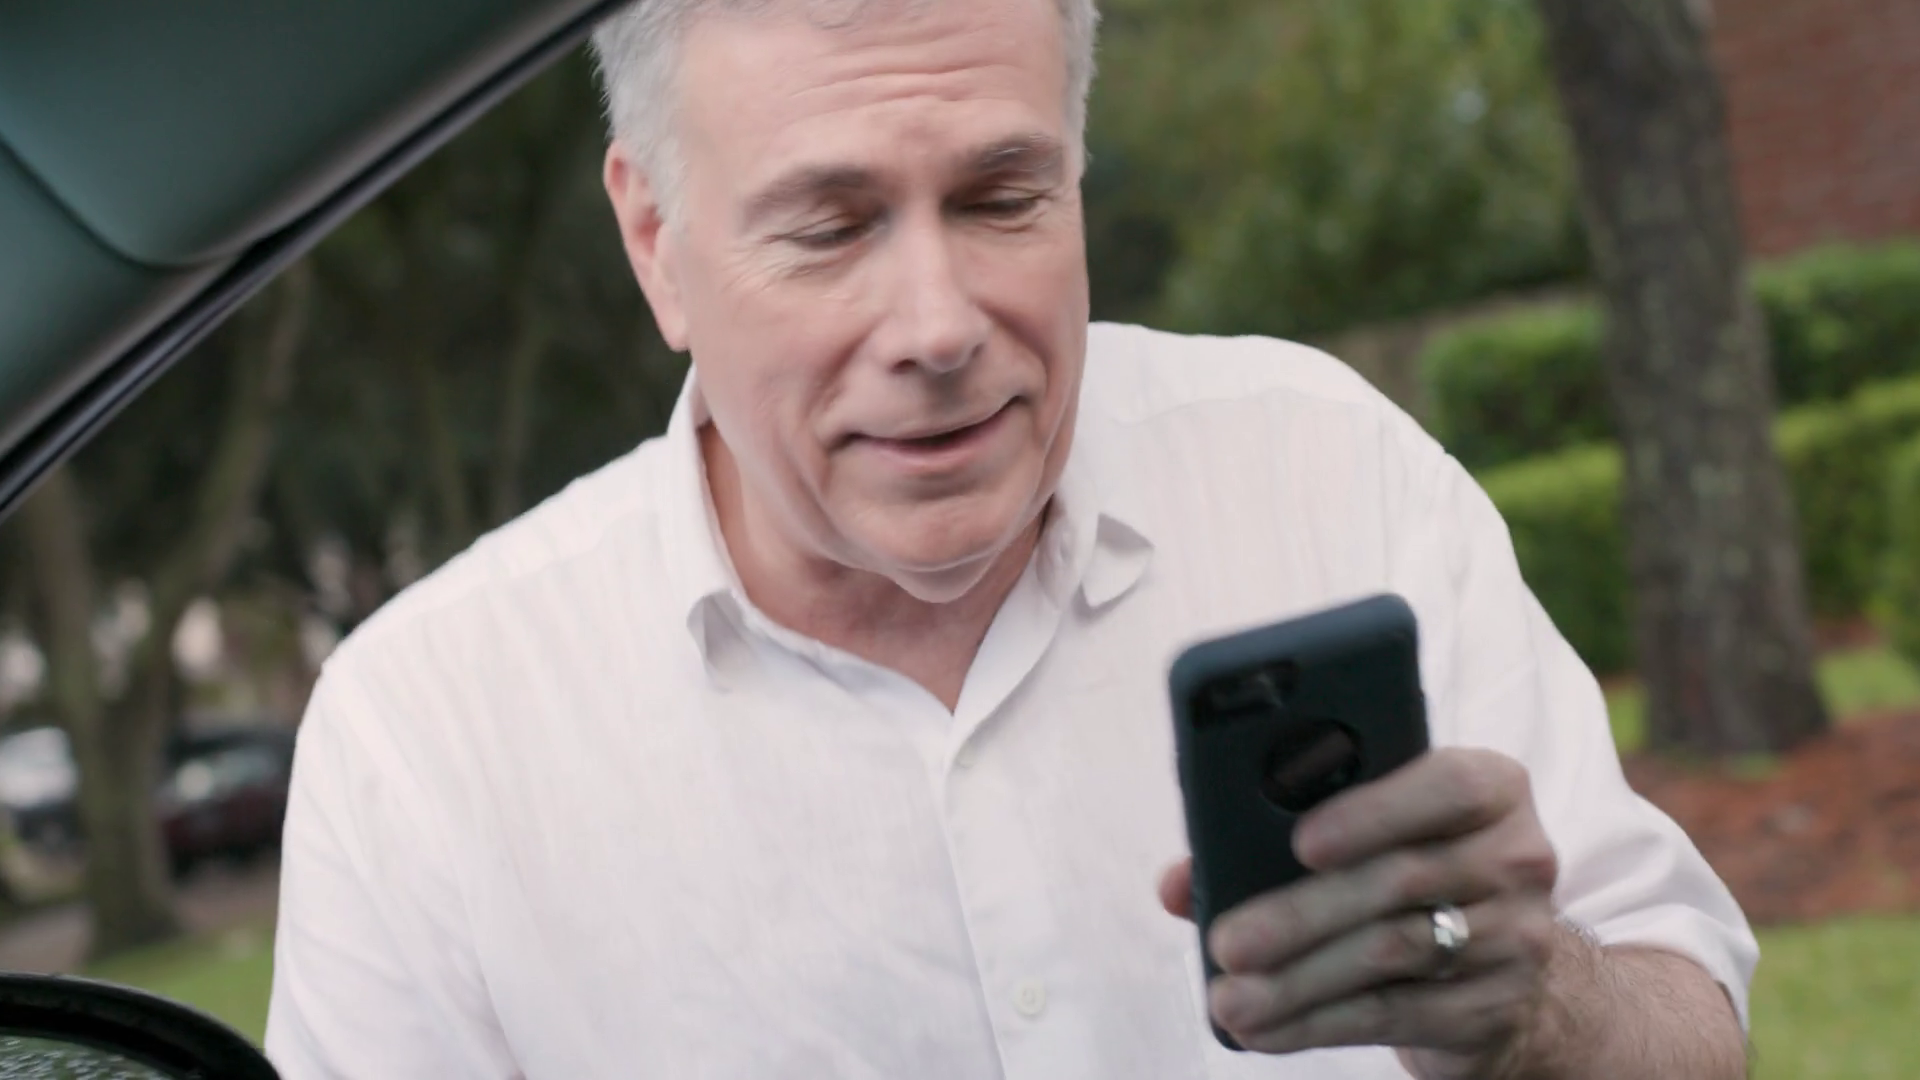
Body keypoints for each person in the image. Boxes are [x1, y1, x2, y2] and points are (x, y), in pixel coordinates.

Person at [263, 0, 1756, 1076]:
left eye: (1001, 198)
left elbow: (1689, 1020)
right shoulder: (426, 743)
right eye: (830, 228)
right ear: (656, 240)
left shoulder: (1327, 466)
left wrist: (1541, 1011)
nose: (938, 327)